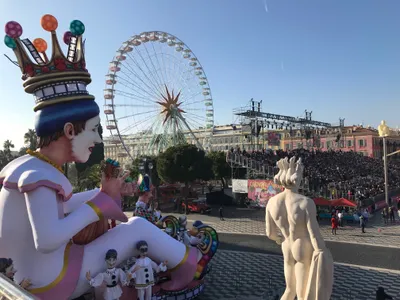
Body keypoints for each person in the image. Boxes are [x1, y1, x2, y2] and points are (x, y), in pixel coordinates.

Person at [0, 15, 214, 300]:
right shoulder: (40, 176)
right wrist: (100, 202)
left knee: (131, 226)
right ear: (68, 130)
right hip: (54, 279)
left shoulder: (24, 165)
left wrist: (102, 193)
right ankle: (190, 265)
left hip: (28, 274)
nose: (99, 139)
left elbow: (54, 212)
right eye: (93, 130)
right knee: (137, 228)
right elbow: (48, 238)